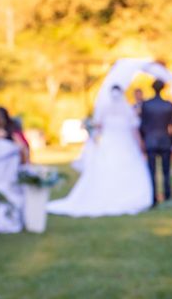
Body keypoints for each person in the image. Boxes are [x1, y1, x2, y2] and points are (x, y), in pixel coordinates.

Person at [47, 85, 152, 217]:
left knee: (107, 169)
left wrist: (91, 132)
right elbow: (133, 131)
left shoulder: (106, 109)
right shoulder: (127, 110)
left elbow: (99, 128)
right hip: (122, 145)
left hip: (110, 145)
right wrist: (140, 147)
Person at [140, 79, 172, 206]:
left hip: (150, 141)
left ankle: (153, 196)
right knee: (166, 171)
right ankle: (167, 195)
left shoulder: (146, 105)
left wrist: (143, 140)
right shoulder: (169, 105)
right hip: (165, 140)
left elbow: (142, 125)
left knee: (152, 171)